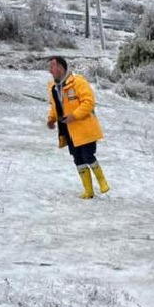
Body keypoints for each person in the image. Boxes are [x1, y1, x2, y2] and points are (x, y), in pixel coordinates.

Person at [46, 56, 110, 199]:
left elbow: (88, 102)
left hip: (85, 128)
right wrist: (51, 119)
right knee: (77, 159)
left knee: (88, 155)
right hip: (68, 130)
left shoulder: (78, 82)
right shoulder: (52, 87)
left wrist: (74, 116)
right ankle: (88, 191)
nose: (50, 70)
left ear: (61, 67)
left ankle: (102, 182)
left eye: (52, 66)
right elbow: (54, 106)